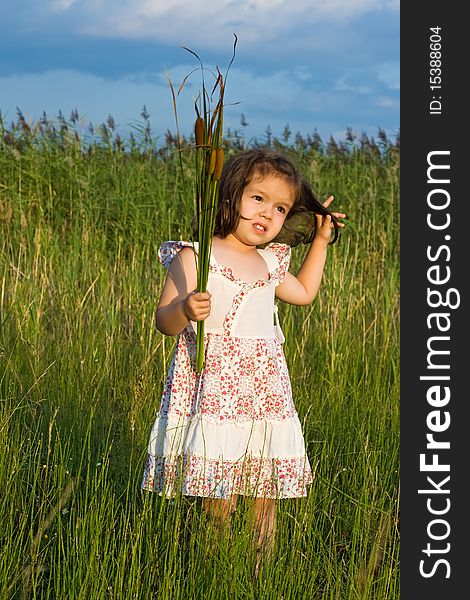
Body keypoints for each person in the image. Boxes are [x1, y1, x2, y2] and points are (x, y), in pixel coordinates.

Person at [141, 148, 345, 579]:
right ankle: (216, 571)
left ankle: (258, 575)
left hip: (264, 392)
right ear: (231, 196)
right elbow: (163, 321)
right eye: (258, 199)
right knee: (221, 492)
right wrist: (185, 308)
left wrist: (321, 242)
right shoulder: (195, 256)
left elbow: (305, 292)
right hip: (217, 393)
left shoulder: (271, 262)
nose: (268, 214)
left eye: (280, 208)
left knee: (264, 491)